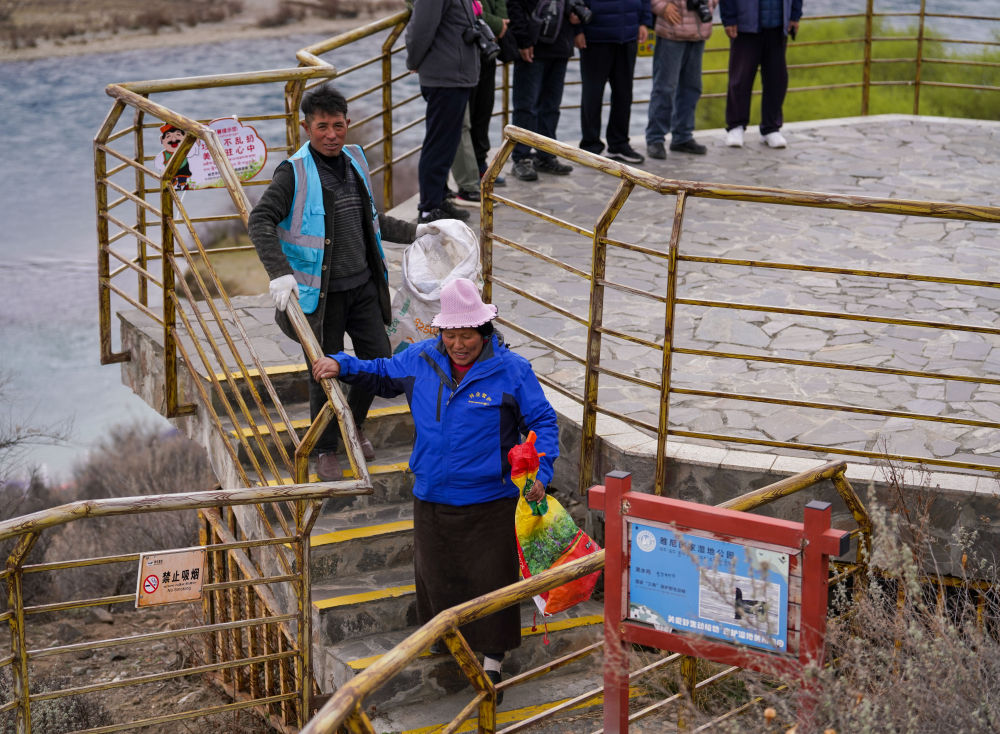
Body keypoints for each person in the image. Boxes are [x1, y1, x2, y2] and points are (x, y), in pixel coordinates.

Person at [311, 278, 558, 693]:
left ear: (484, 332)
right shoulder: (420, 358)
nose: (458, 344)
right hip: (432, 495)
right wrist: (342, 364)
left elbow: (543, 423)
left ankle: (492, 662)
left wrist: (542, 473)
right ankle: (447, 639)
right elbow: (382, 372)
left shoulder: (512, 371)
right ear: (440, 332)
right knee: (437, 577)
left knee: (491, 582)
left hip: (490, 501)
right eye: (451, 335)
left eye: (467, 335)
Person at [248, 83, 438, 481]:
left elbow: (371, 220)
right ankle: (325, 448)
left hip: (364, 287)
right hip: (321, 297)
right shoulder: (294, 173)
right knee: (325, 371)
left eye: (338, 125)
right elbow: (259, 220)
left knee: (377, 364)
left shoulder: (354, 160)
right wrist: (279, 272)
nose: (331, 135)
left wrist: (418, 232)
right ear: (306, 128)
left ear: (348, 123)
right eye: (322, 127)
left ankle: (354, 425)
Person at [407, 0, 480, 222]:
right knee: (438, 144)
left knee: (448, 144)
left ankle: (439, 198)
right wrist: (413, 61)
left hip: (455, 75)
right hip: (444, 77)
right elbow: (421, 29)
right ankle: (429, 208)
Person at [506, 0, 579, 181]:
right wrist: (523, 40)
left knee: (551, 107)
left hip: (561, 45)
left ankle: (546, 155)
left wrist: (577, 22)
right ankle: (521, 158)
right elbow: (514, 6)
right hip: (532, 46)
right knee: (526, 107)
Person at [575, 0, 653, 165]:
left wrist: (644, 22)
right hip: (595, 36)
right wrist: (577, 30)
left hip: (628, 35)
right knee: (592, 94)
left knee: (624, 94)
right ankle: (590, 146)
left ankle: (619, 144)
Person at [720, 0, 802, 149]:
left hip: (778, 26)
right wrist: (729, 18)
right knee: (740, 79)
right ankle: (736, 126)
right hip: (745, 25)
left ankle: (771, 128)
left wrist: (795, 15)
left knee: (776, 79)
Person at [451, 0, 510, 202]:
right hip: (463, 52)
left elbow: (498, 5)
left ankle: (480, 163)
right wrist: (497, 24)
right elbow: (468, 12)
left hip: (484, 50)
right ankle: (467, 176)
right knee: (465, 118)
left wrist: (500, 22)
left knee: (484, 109)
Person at [644, 0, 717, 159]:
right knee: (665, 88)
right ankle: (655, 138)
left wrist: (710, 4)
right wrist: (661, 6)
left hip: (699, 30)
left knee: (692, 87)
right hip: (671, 31)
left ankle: (682, 137)